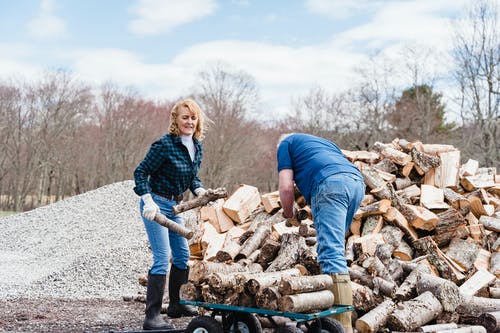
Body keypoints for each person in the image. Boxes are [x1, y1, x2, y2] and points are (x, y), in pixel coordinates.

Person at [276, 133, 365, 333]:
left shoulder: (285, 144)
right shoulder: (323, 143)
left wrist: (289, 213)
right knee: (336, 248)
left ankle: (342, 326)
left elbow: (286, 186)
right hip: (356, 183)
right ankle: (336, 316)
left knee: (331, 252)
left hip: (330, 184)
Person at [133, 98, 208, 330]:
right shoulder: (164, 145)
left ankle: (176, 305)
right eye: (185, 117)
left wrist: (201, 190)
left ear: (198, 122)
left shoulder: (196, 146)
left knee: (183, 256)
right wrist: (147, 200)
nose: (189, 121)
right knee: (161, 258)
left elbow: (191, 177)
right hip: (155, 206)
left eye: (193, 117)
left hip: (175, 208)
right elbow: (140, 172)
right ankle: (152, 317)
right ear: (176, 119)